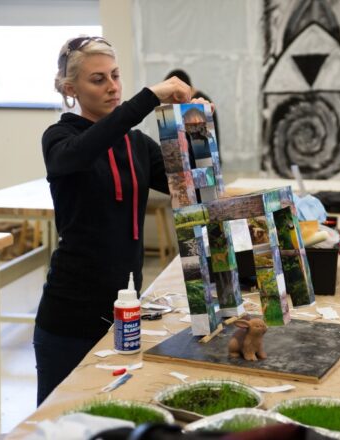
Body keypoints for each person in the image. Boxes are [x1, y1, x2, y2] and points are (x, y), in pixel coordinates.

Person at [34, 36, 209, 406]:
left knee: (113, 420)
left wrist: (195, 126)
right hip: (69, 317)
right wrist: (148, 98)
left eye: (115, 75)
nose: (112, 86)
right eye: (98, 79)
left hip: (126, 313)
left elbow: (194, 189)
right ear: (70, 89)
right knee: (57, 423)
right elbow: (82, 153)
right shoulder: (59, 139)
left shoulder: (137, 144)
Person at [165, 69, 221, 163]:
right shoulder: (200, 101)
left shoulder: (196, 104)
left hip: (204, 162)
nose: (170, 101)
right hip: (206, 161)